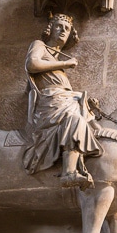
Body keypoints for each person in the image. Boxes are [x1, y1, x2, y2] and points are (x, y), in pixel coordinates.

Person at [22, 13, 102, 189]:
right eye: (58, 26)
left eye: (66, 28)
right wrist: (65, 64)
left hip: (63, 101)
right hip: (50, 104)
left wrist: (86, 102)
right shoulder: (40, 45)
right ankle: (69, 173)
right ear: (50, 29)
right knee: (75, 120)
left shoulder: (57, 61)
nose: (63, 31)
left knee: (94, 125)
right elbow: (32, 64)